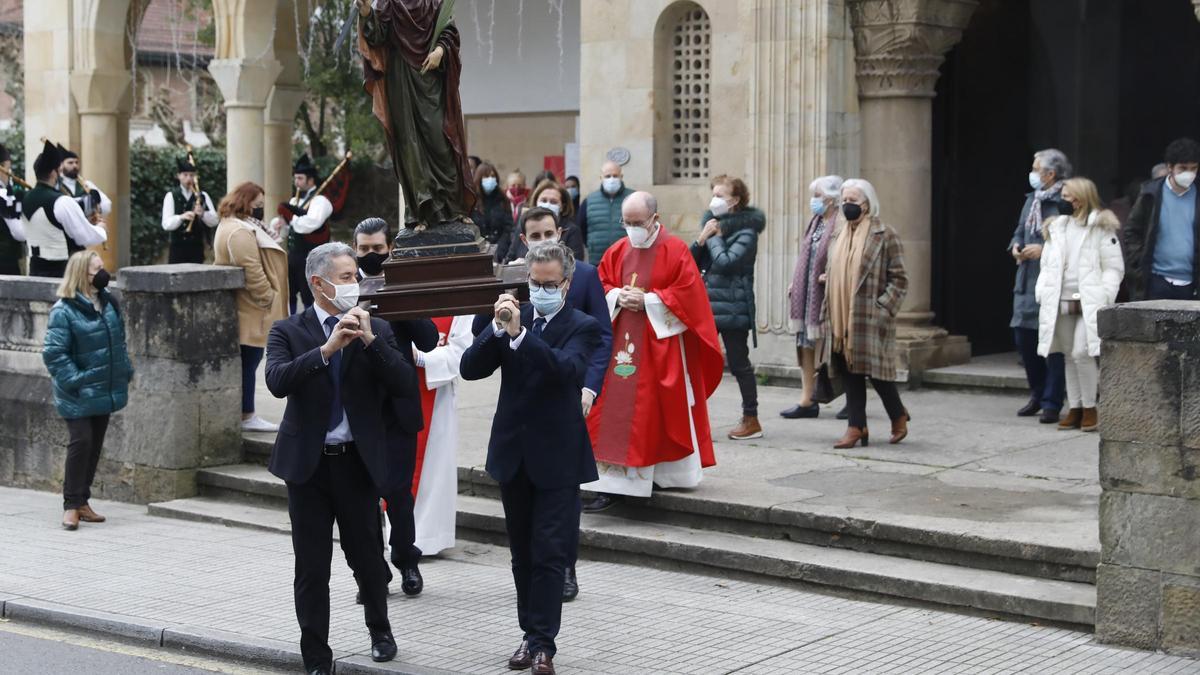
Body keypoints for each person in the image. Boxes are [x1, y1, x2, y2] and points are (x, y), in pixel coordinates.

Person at [265, 242, 416, 674]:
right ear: (319, 283)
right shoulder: (288, 331)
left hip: (356, 463)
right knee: (311, 567)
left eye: (356, 276)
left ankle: (380, 630)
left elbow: (404, 383)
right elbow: (276, 381)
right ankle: (316, 655)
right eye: (348, 277)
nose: (356, 284)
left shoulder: (376, 328)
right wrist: (327, 350)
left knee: (368, 557)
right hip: (308, 467)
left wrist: (369, 341)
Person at [460, 242, 602, 675]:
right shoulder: (510, 318)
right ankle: (528, 633)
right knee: (522, 553)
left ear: (566, 283)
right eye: (532, 283)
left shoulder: (583, 326)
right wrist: (497, 328)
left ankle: (544, 644)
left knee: (549, 554)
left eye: (547, 284)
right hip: (513, 454)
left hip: (558, 456)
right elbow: (469, 367)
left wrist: (521, 335)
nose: (538, 290)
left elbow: (565, 371)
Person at [473, 206, 613, 600]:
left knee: (557, 513)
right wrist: (499, 315)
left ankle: (563, 569)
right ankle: (533, 621)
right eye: (534, 236)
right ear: (523, 239)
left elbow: (598, 336)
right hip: (518, 423)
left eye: (548, 233)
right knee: (524, 540)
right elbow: (479, 349)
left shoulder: (582, 276)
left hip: (563, 400)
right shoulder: (516, 277)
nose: (542, 241)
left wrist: (590, 387)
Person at [582, 191, 723, 510]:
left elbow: (689, 294)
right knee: (615, 415)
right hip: (622, 348)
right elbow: (600, 284)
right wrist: (617, 296)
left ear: (655, 220)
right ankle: (613, 485)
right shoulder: (617, 250)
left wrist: (649, 301)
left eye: (637, 222)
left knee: (657, 412)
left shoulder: (675, 251)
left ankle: (665, 475)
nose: (631, 229)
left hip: (661, 345)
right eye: (626, 222)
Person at [353, 217, 438, 598]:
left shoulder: (402, 282)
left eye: (378, 249)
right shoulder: (342, 284)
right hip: (357, 411)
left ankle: (407, 560)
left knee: (399, 495)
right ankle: (374, 574)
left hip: (398, 408)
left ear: (390, 249)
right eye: (364, 249)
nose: (371, 256)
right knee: (363, 499)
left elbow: (430, 339)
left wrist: (399, 297)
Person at [358, 0, 475, 228]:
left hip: (430, 78)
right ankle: (421, 211)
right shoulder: (388, 3)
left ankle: (453, 206)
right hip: (400, 78)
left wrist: (440, 51)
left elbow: (448, 31)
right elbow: (377, 36)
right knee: (409, 143)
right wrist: (366, 13)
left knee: (440, 139)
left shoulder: (434, 2)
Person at [42, 250, 132, 531]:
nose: (103, 273)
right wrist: (77, 379)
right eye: (96, 270)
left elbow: (119, 341)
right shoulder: (63, 310)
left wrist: (124, 369)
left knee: (93, 447)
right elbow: (54, 353)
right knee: (80, 443)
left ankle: (82, 501)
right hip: (78, 391)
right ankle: (70, 505)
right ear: (82, 274)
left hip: (104, 388)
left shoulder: (108, 302)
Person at [819, 179, 910, 449]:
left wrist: (882, 309)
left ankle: (898, 414)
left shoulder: (885, 234)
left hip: (869, 315)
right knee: (850, 371)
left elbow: (900, 279)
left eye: (853, 201)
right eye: (844, 200)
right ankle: (856, 427)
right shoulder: (838, 233)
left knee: (878, 375)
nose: (847, 206)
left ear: (867, 204)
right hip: (841, 314)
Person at [1035, 178, 1124, 433]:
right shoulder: (1057, 227)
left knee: (1081, 352)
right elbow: (1047, 266)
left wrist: (1105, 295)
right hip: (1060, 299)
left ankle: (1089, 408)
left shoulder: (1101, 228)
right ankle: (1074, 408)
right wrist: (1042, 291)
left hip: (1089, 300)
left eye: (1067, 195)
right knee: (1066, 355)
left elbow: (1113, 268)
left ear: (1081, 198)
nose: (1063, 200)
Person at [691, 175, 765, 440]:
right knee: (698, 364)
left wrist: (713, 238)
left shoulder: (747, 231)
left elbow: (726, 262)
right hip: (708, 305)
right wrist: (701, 238)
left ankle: (751, 418)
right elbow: (690, 262)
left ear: (735, 201)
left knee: (738, 363)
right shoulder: (712, 226)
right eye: (714, 193)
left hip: (734, 307)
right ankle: (693, 418)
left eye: (721, 195)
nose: (715, 199)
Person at [213, 182, 288, 433]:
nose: (259, 210)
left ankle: (246, 412)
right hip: (253, 308)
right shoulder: (240, 231)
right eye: (256, 205)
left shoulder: (231, 225)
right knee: (250, 361)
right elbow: (252, 270)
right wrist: (268, 297)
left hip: (248, 306)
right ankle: (247, 414)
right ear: (245, 202)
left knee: (248, 361)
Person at [1010, 149, 1071, 424]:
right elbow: (1020, 229)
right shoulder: (1031, 200)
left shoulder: (1066, 201)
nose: (1032, 174)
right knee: (1024, 338)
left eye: (1036, 169)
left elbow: (1071, 241)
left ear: (1050, 174)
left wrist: (1043, 249)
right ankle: (1037, 392)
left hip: (1053, 280)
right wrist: (1016, 246)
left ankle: (1052, 400)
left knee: (1054, 343)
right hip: (1027, 279)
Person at [409, 314, 474, 558]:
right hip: (398, 390)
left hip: (438, 395)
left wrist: (420, 357)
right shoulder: (403, 292)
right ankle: (401, 539)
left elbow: (463, 351)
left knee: (433, 469)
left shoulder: (459, 305)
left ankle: (427, 539)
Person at [782, 175, 843, 419]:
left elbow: (843, 255)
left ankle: (852, 399)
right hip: (807, 293)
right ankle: (807, 400)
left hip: (829, 295)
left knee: (835, 348)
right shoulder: (816, 221)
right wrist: (796, 282)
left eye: (818, 195)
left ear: (831, 197)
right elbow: (806, 256)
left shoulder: (840, 222)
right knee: (805, 345)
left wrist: (832, 275)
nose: (814, 200)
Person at [1123, 137, 1200, 301]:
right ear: (1170, 167)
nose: (1189, 174)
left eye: (1193, 168)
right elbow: (1132, 231)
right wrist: (1139, 266)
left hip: (1192, 283)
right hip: (1156, 281)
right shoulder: (1150, 194)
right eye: (1183, 168)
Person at [23, 141, 107, 278]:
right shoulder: (61, 201)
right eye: (58, 170)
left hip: (34, 268)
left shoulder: (25, 198)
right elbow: (83, 236)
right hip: (61, 270)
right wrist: (101, 229)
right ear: (53, 173)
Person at [271, 155, 333, 315]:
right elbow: (288, 230)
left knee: (309, 295)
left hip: (313, 257)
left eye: (300, 178)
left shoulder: (320, 201)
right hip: (293, 256)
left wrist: (290, 217)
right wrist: (280, 224)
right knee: (290, 293)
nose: (296, 182)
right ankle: (291, 323)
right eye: (295, 178)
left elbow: (310, 224)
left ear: (310, 180)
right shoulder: (294, 201)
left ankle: (312, 325)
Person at [497, 181, 586, 264]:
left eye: (553, 202)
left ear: (562, 206)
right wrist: (515, 265)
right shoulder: (523, 226)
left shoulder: (572, 230)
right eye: (544, 200)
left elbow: (575, 265)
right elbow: (510, 258)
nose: (548, 204)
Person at [161, 157, 218, 264]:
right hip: (177, 248)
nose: (189, 179)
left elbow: (215, 220)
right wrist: (181, 217)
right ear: (179, 176)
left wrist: (203, 214)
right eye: (185, 175)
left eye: (191, 175)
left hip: (196, 247)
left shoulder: (203, 196)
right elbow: (166, 224)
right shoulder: (171, 196)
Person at [579, 160, 634, 263]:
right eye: (608, 176)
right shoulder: (589, 200)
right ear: (601, 178)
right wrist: (592, 245)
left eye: (615, 176)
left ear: (621, 177)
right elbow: (581, 228)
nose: (612, 179)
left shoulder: (633, 198)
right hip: (598, 260)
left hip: (626, 259)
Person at [55, 144, 112, 223]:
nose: (74, 165)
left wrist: (94, 206)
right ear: (61, 165)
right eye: (70, 163)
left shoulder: (87, 184)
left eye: (76, 162)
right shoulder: (56, 184)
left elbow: (107, 204)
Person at [473, 161, 514, 253]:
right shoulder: (472, 201)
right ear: (479, 179)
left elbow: (508, 229)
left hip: (500, 249)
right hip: (478, 251)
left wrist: (499, 249)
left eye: (493, 176)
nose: (490, 179)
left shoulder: (503, 199)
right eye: (486, 176)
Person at [0, 142, 26, 275]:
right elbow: (20, 233)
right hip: (5, 262)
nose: (10, 174)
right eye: (8, 169)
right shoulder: (3, 196)